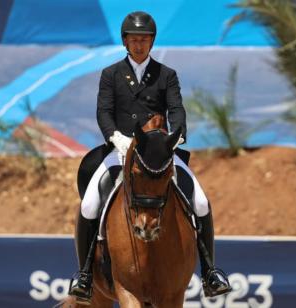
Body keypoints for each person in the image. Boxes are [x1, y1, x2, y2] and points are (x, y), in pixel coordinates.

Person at [68, 11, 232, 304]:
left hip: (159, 152)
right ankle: (84, 275)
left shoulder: (166, 75)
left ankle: (210, 272)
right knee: (91, 202)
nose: (139, 45)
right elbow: (104, 111)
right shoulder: (112, 74)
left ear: (151, 42)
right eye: (134, 40)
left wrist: (177, 134)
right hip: (120, 150)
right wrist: (115, 136)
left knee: (201, 202)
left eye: (144, 39)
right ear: (125, 42)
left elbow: (176, 109)